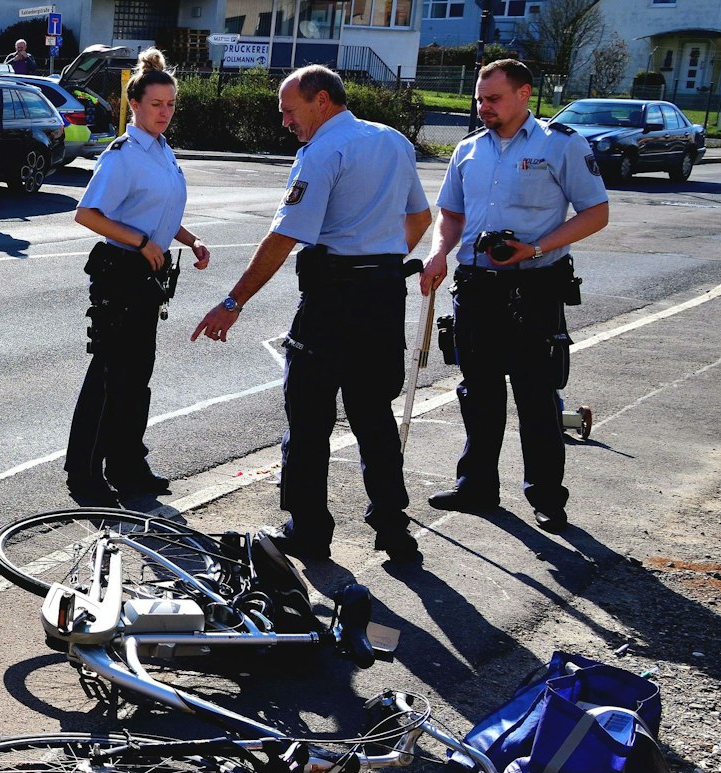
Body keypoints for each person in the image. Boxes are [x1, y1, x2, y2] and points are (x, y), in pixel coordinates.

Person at [190, 65, 431, 566]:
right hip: (383, 300)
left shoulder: (322, 152)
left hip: (332, 305)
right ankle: (393, 528)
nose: (285, 122)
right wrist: (381, 262)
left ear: (321, 100)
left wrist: (233, 302)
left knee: (308, 421)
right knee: (374, 418)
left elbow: (283, 238)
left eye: (289, 111)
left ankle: (309, 531)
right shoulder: (393, 142)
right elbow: (419, 218)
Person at [419, 58, 608, 533]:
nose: (484, 107)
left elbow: (596, 211)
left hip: (535, 285)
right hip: (476, 285)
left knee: (536, 395)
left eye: (494, 98)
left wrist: (537, 246)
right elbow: (451, 215)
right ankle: (477, 486)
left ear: (524, 94)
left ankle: (546, 497)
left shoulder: (560, 144)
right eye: (480, 99)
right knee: (477, 391)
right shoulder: (467, 151)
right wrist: (439, 254)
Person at [64, 48, 210, 505]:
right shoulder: (124, 155)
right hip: (121, 272)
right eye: (155, 105)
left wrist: (187, 238)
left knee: (136, 376)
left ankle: (127, 464)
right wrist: (142, 243)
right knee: (110, 375)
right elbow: (87, 213)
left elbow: (156, 209)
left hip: (147, 271)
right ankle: (84, 474)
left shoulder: (162, 151)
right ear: (136, 105)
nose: (164, 112)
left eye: (170, 105)